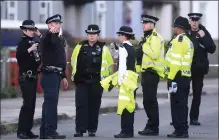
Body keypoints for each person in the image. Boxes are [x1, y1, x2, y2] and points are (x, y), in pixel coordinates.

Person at [71, 24, 114, 137]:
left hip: (96, 82)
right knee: (81, 106)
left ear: (98, 35)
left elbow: (109, 66)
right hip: (82, 81)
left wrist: (106, 81)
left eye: (94, 34)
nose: (91, 36)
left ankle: (92, 129)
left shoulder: (104, 49)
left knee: (94, 106)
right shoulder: (79, 46)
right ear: (87, 35)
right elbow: (73, 61)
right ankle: (79, 129)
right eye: (89, 34)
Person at [39, 14, 68, 139]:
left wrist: (63, 76)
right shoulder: (48, 36)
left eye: (58, 23)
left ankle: (44, 132)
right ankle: (50, 132)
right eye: (55, 23)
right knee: (51, 104)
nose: (57, 25)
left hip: (55, 74)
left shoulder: (58, 37)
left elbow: (60, 59)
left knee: (49, 104)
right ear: (49, 25)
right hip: (49, 74)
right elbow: (52, 41)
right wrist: (53, 33)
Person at [165, 16, 194, 138]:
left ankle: (180, 130)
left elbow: (176, 62)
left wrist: (170, 78)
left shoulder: (179, 41)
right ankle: (182, 129)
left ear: (179, 29)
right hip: (184, 77)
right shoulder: (188, 41)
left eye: (175, 27)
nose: (173, 29)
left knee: (177, 104)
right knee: (181, 104)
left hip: (177, 77)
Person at [136, 14, 165, 136]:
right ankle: (151, 125)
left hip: (153, 72)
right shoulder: (145, 37)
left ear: (152, 25)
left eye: (146, 23)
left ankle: (153, 127)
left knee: (150, 100)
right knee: (147, 101)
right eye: (143, 23)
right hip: (145, 72)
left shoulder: (156, 38)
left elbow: (154, 54)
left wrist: (144, 46)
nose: (143, 25)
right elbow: (140, 57)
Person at [187, 13, 216, 125]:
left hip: (198, 68)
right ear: (189, 21)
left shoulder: (204, 32)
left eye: (196, 20)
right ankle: (180, 117)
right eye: (192, 20)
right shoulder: (185, 32)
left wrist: (203, 37)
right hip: (186, 68)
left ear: (199, 21)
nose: (194, 22)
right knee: (182, 94)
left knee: (197, 93)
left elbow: (212, 49)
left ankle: (194, 118)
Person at [16, 20, 42, 139]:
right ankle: (21, 131)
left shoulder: (33, 41)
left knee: (31, 105)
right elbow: (19, 57)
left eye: (33, 30)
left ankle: (28, 130)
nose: (32, 32)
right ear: (24, 30)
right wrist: (30, 49)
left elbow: (37, 59)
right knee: (27, 104)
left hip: (32, 77)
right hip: (25, 77)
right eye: (30, 30)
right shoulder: (23, 42)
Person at [112, 26, 137, 138]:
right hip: (132, 78)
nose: (119, 37)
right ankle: (129, 130)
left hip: (125, 78)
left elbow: (122, 66)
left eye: (120, 35)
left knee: (124, 105)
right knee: (130, 104)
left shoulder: (123, 48)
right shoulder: (132, 48)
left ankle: (124, 131)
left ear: (124, 36)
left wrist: (119, 80)